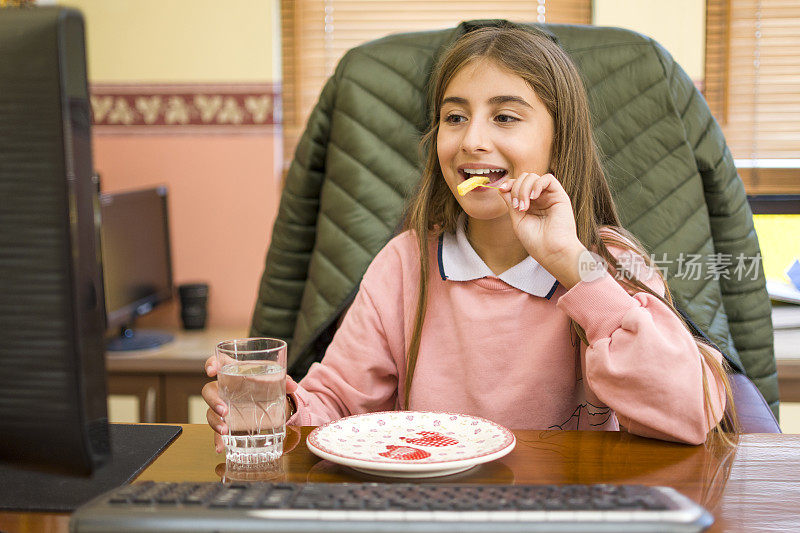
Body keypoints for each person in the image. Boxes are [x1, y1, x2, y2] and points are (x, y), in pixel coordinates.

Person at [203, 25, 739, 451]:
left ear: (560, 141)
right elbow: (337, 407)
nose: (472, 141)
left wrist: (569, 262)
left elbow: (690, 413)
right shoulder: (404, 264)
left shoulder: (607, 263)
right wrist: (280, 412)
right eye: (454, 118)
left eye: (505, 117)